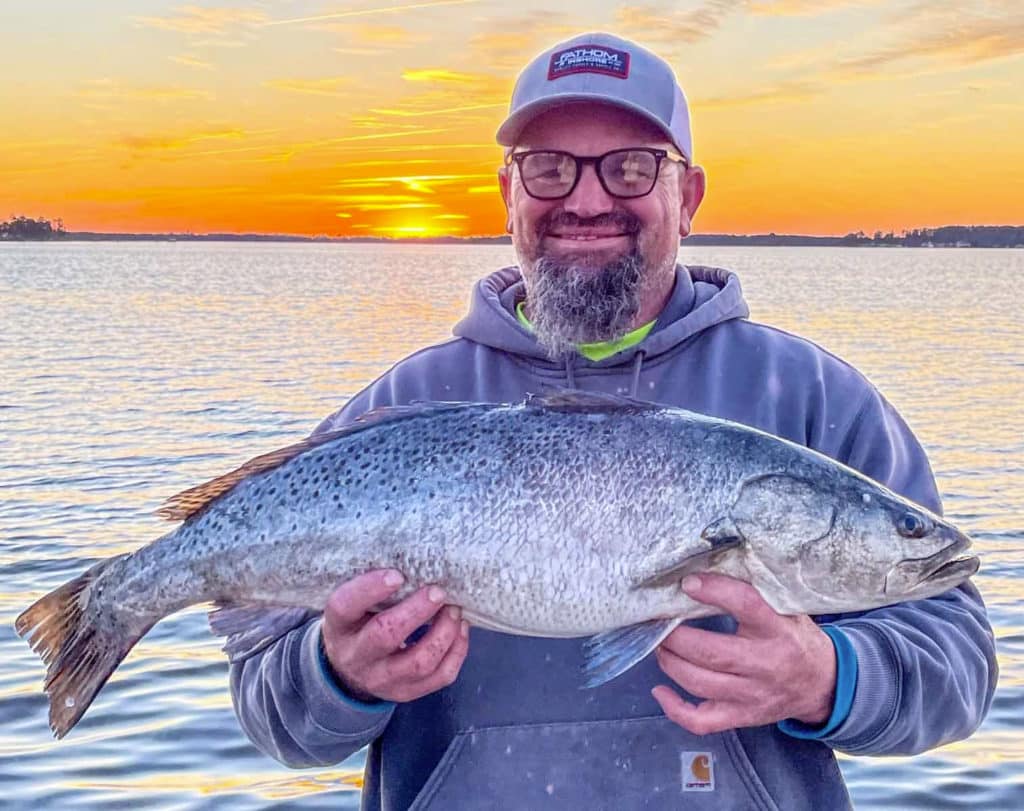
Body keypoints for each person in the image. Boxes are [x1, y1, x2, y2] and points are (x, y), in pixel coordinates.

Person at [229, 31, 997, 810]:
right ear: (508, 195)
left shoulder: (811, 398)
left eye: (631, 166)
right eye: (549, 167)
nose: (587, 200)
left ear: (689, 196)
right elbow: (272, 713)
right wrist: (337, 675)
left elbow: (960, 665)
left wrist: (826, 676)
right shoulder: (401, 409)